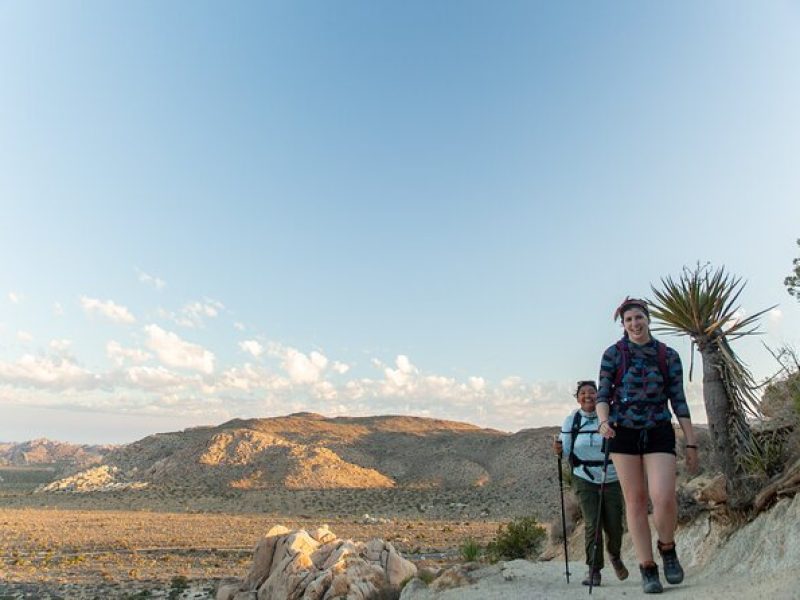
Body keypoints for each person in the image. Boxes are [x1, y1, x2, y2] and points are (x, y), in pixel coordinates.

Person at [595, 297, 699, 594]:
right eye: (628, 320)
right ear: (623, 324)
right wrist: (603, 422)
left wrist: (691, 442)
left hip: (658, 430)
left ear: (648, 319)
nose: (634, 324)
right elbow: (603, 394)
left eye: (638, 318)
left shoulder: (667, 356)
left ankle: (667, 548)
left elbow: (678, 400)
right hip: (622, 433)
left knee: (664, 497)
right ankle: (647, 568)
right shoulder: (613, 354)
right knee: (636, 501)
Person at [553, 380, 629, 587]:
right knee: (592, 523)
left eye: (592, 392)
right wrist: (559, 451)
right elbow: (566, 451)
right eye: (583, 393)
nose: (588, 396)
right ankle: (594, 570)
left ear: (599, 396)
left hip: (612, 475)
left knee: (614, 525)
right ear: (577, 398)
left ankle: (614, 555)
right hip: (584, 476)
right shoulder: (572, 420)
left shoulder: (610, 416)